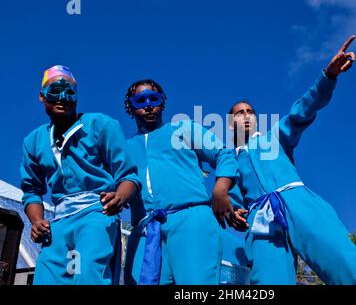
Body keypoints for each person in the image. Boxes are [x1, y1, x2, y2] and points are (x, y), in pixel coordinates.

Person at [223, 36, 356, 285]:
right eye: (238, 113)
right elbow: (232, 200)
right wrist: (236, 213)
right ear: (230, 123)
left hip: (299, 202)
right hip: (261, 222)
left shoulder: (274, 136)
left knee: (345, 265)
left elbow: (303, 110)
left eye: (250, 112)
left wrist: (328, 76)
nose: (245, 116)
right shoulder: (229, 161)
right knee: (268, 282)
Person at [20, 65, 140, 285]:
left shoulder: (101, 125)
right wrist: (36, 221)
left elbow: (129, 176)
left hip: (96, 212)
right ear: (41, 96)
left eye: (70, 92)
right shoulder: (33, 141)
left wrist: (119, 198)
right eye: (55, 91)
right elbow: (32, 190)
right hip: (57, 224)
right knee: (46, 278)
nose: (63, 97)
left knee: (88, 275)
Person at [123, 79, 238, 284]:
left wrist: (220, 190)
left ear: (163, 103)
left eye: (154, 98)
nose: (148, 105)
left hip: (191, 220)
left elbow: (223, 154)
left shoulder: (184, 129)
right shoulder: (124, 149)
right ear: (130, 107)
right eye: (140, 100)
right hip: (145, 230)